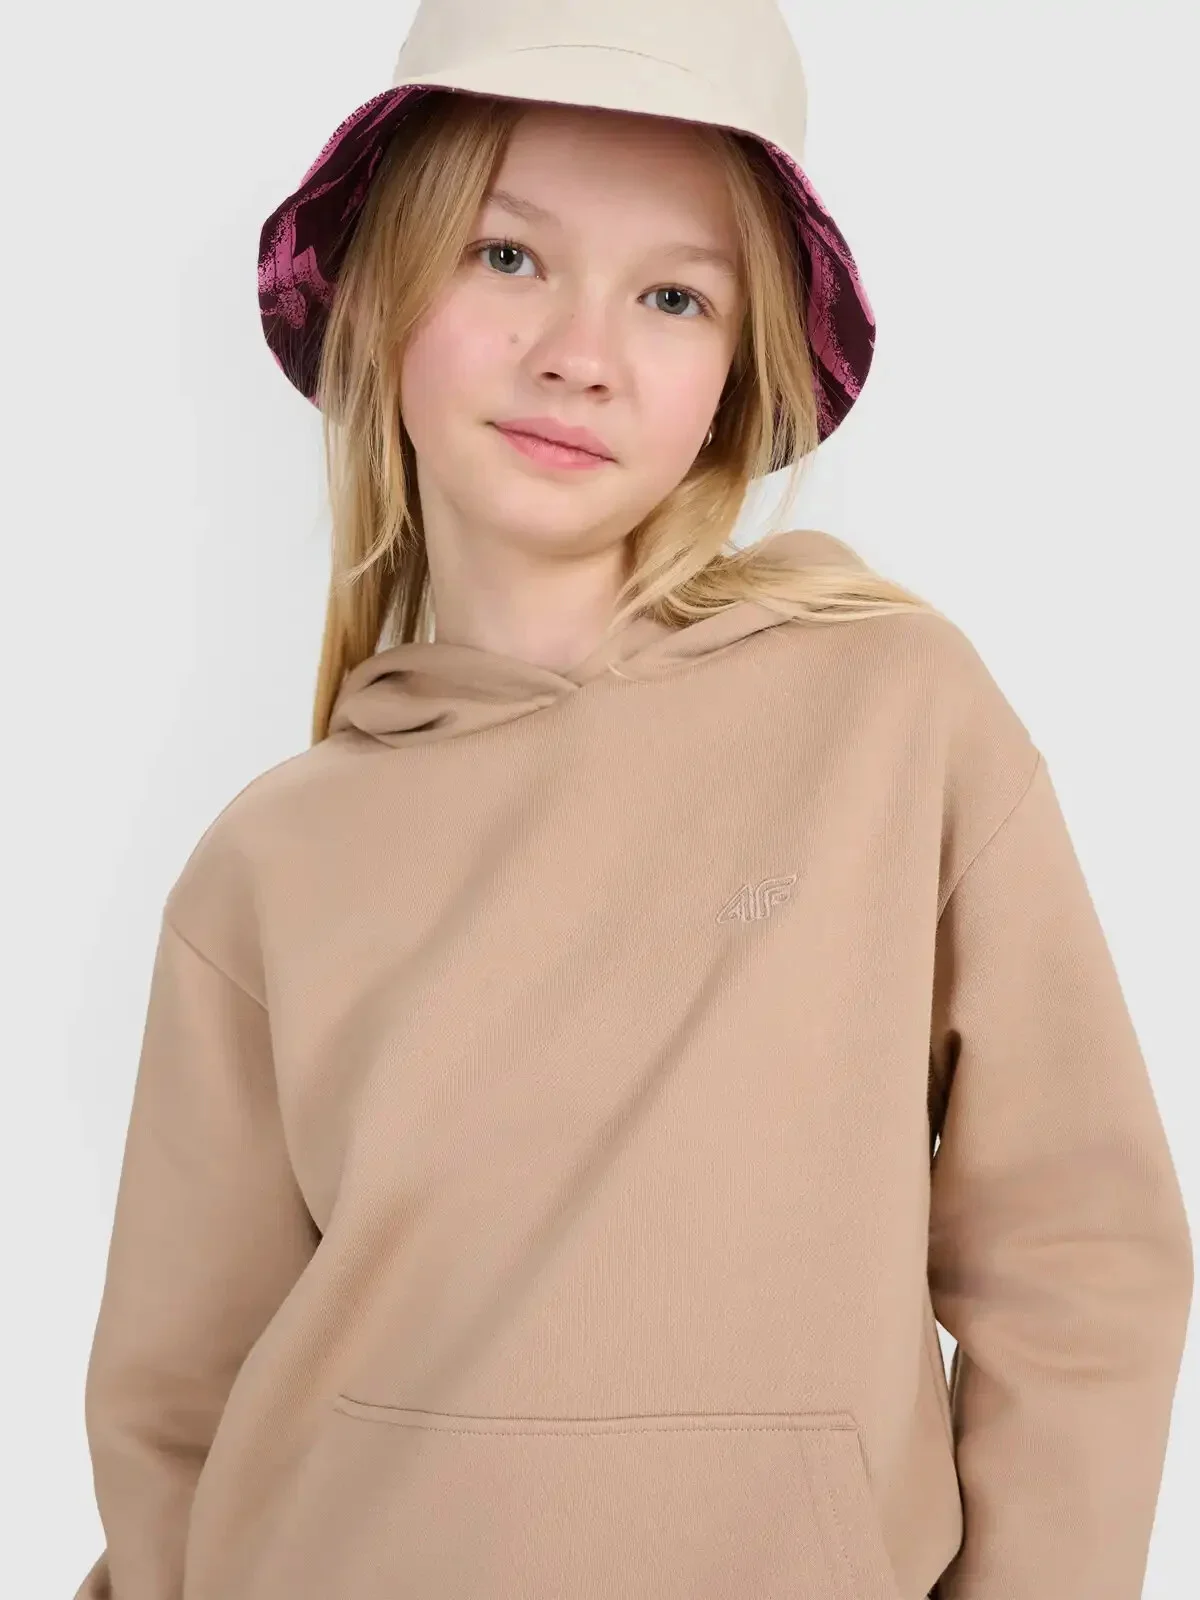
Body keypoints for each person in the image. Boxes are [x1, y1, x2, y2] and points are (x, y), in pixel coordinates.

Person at [74, 2, 1193, 1597]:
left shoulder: (892, 715)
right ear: (378, 290)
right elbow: (173, 1415)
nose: (577, 356)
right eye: (506, 255)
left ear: (737, 374)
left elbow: (1079, 1264)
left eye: (674, 295)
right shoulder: (271, 860)